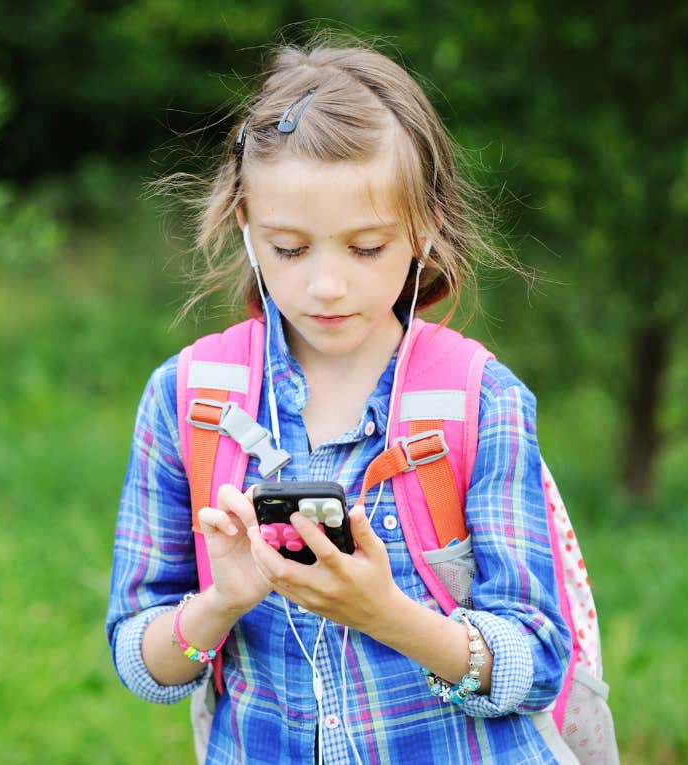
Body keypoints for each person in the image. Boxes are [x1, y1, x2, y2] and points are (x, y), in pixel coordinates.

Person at [106, 41, 572, 764]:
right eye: (291, 249)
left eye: (365, 248)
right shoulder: (188, 398)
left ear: (426, 230)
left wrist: (388, 616)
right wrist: (221, 601)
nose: (327, 285)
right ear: (245, 227)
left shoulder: (478, 401)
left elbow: (540, 660)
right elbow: (142, 660)